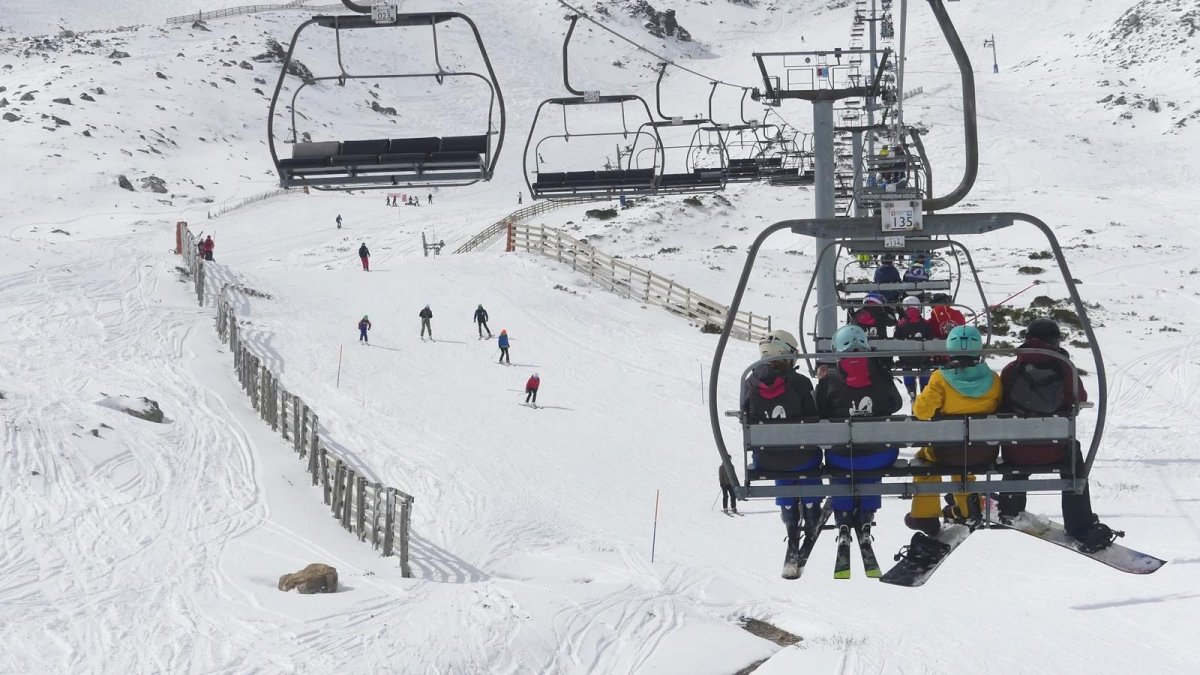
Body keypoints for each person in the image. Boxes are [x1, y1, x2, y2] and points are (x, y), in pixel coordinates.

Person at [996, 318, 1117, 552]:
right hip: (1054, 450)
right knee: (1073, 455)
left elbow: (1001, 403)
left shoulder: (1011, 370)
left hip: (1015, 450)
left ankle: (1010, 506)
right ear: (1055, 341)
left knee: (1017, 449)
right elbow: (1079, 398)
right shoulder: (1065, 369)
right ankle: (1078, 523)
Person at [905, 325, 1002, 537]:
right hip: (984, 451)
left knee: (925, 461)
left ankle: (925, 515)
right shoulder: (993, 379)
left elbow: (921, 412)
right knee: (965, 462)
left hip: (947, 452)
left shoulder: (941, 378)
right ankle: (967, 508)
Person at [740, 329, 822, 578]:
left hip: (767, 459)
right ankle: (811, 510)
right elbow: (814, 417)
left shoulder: (749, 383)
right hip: (804, 458)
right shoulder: (800, 383)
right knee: (807, 460)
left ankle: (790, 516)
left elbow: (745, 417)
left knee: (779, 462)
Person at [815, 325, 903, 542]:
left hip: (842, 457)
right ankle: (866, 514)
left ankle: (843, 516)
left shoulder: (830, 379)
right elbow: (896, 404)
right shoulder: (881, 374)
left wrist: (822, 384)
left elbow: (818, 413)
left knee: (839, 463)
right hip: (879, 456)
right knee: (873, 459)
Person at [893, 296, 936, 400]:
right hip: (923, 357)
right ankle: (924, 386)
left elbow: (896, 340)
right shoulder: (925, 323)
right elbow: (931, 339)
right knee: (926, 365)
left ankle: (911, 387)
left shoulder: (901, 324)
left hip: (907, 358)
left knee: (906, 365)